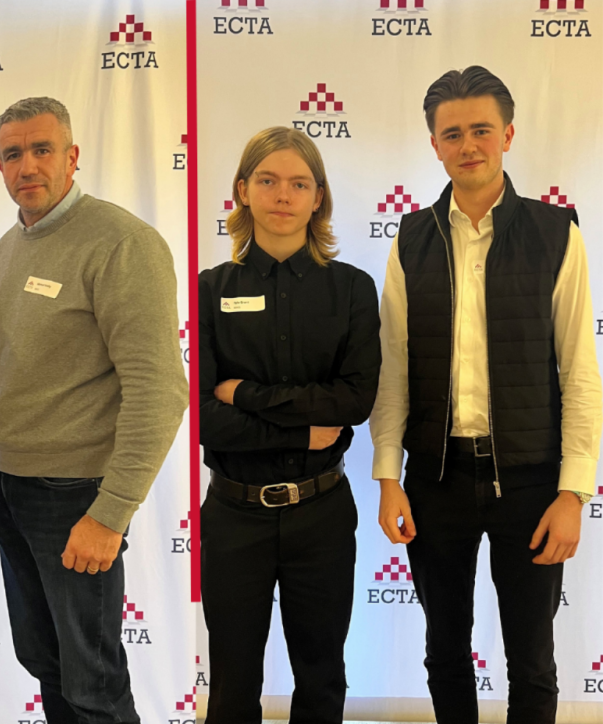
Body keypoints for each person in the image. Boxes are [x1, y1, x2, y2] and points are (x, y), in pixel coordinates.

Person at [0, 97, 187, 724]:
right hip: (10, 488)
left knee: (93, 685)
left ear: (72, 157)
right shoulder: (5, 250)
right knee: (46, 663)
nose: (28, 165)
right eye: (13, 154)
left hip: (77, 499)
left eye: (42, 149)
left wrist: (109, 513)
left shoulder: (122, 244)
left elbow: (159, 390)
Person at [370, 66, 602, 724]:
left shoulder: (556, 233)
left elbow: (579, 369)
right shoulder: (411, 239)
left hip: (530, 482)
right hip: (435, 480)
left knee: (532, 660)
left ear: (507, 134)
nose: (467, 144)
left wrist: (573, 492)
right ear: (434, 145)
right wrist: (388, 477)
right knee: (444, 651)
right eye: (452, 134)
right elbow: (394, 367)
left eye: (480, 130)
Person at [198, 127, 380, 723]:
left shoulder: (352, 289)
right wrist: (299, 431)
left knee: (322, 679)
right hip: (233, 516)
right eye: (268, 180)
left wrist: (246, 394)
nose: (283, 195)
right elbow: (207, 420)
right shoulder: (209, 290)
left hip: (320, 514)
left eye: (299, 184)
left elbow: (352, 401)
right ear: (242, 190)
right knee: (231, 686)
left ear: (318, 196)